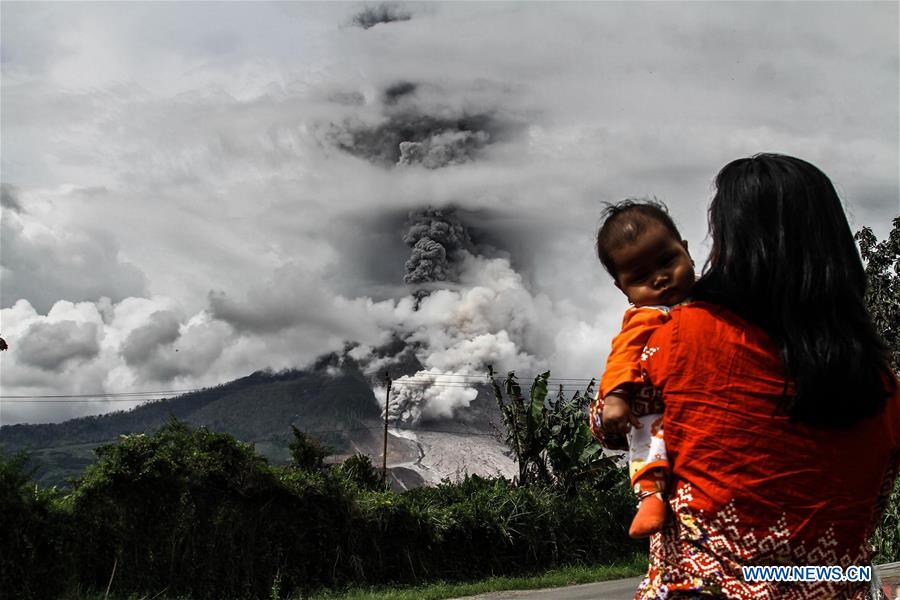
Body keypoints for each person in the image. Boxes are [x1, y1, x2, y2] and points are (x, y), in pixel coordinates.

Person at [608, 153, 899, 599]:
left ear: (733, 245)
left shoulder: (678, 337)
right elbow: (870, 511)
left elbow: (611, 423)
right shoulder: (883, 388)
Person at [589, 200, 695, 538]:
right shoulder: (646, 317)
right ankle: (649, 496)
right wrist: (616, 398)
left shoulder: (714, 302)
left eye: (667, 261)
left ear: (687, 250)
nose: (660, 278)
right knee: (645, 434)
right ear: (623, 289)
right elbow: (622, 357)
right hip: (653, 414)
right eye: (640, 277)